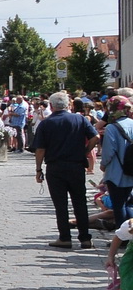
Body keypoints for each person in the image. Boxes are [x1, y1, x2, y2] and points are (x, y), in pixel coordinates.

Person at [32, 90, 99, 249]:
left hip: (56, 167)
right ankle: (85, 238)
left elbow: (40, 149)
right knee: (80, 202)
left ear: (51, 106)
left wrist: (38, 169)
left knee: (60, 204)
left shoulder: (46, 123)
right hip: (76, 165)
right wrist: (85, 151)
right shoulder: (79, 119)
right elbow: (95, 137)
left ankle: (65, 237)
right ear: (68, 105)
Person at [98, 95, 133, 222]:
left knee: (119, 205)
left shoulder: (112, 128)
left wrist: (103, 165)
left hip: (116, 171)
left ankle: (121, 232)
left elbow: (108, 152)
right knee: (129, 203)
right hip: (131, 170)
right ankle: (130, 231)